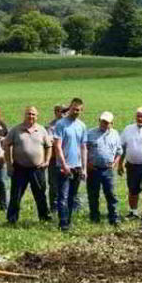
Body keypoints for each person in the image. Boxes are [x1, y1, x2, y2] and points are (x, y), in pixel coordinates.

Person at [4, 105, 53, 224]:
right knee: (16, 195)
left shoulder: (41, 130)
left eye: (33, 114)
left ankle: (44, 217)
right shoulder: (16, 130)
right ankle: (12, 219)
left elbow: (48, 146)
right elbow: (7, 145)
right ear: (24, 115)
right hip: (19, 168)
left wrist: (46, 161)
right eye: (28, 114)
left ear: (37, 116)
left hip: (37, 169)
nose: (31, 116)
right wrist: (9, 164)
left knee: (40, 194)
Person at [53, 98, 88, 232]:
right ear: (70, 108)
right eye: (74, 109)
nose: (76, 111)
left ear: (81, 110)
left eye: (78, 109)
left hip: (77, 166)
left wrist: (84, 168)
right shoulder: (61, 124)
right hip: (64, 166)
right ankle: (63, 224)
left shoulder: (82, 126)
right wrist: (64, 164)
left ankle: (68, 220)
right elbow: (57, 146)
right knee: (63, 196)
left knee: (72, 196)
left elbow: (83, 147)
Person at [85, 111, 122, 226]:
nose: (104, 124)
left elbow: (119, 151)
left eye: (107, 122)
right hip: (93, 169)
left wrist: (115, 163)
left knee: (111, 195)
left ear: (112, 123)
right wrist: (87, 163)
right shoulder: (90, 133)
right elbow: (83, 149)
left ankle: (114, 218)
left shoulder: (115, 134)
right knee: (93, 195)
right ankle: (94, 218)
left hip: (108, 170)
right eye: (102, 121)